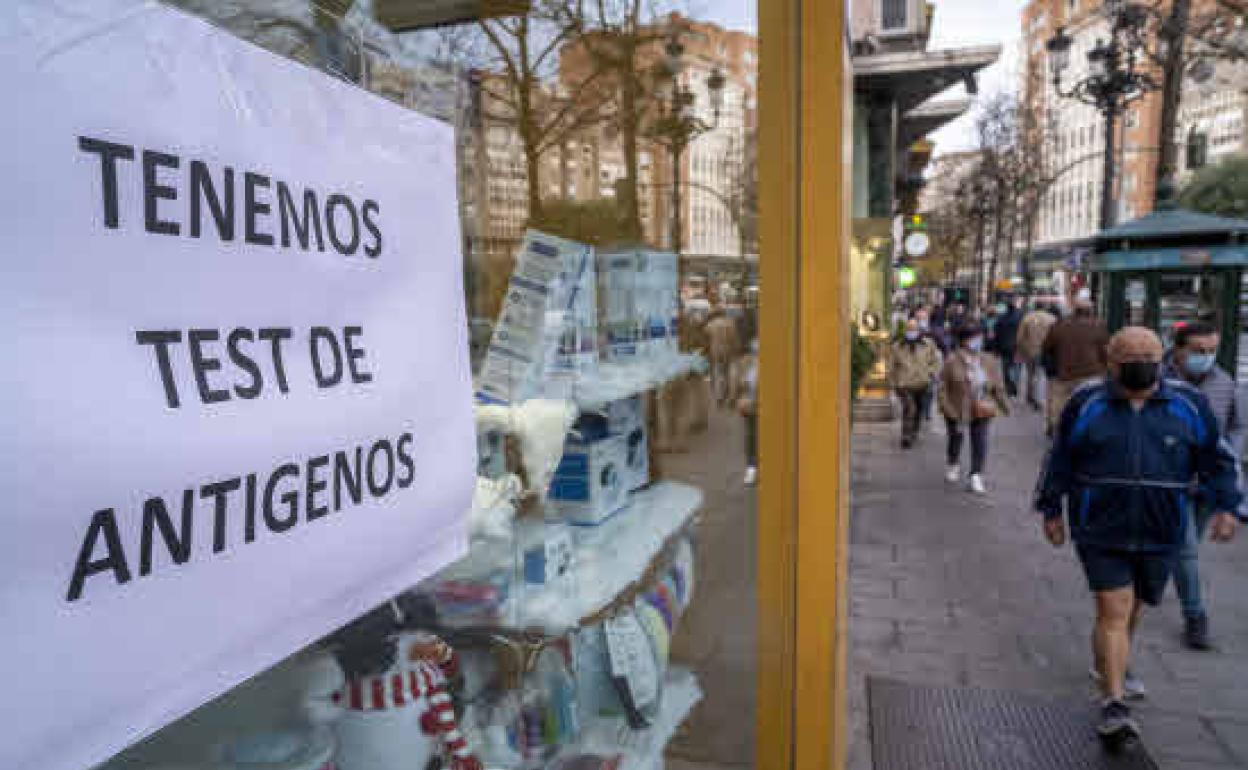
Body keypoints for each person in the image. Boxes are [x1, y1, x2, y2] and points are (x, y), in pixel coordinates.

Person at [1035, 327, 1243, 745]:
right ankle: (1113, 702)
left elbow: (1218, 458)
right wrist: (1050, 508)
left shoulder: (1188, 404)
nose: (1140, 362)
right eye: (1130, 356)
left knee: (1132, 610)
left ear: (1161, 357)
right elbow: (1059, 457)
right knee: (1114, 608)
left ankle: (1110, 664)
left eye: (1148, 354)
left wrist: (1227, 505)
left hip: (1160, 528)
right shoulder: (1087, 403)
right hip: (1100, 525)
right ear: (1111, 362)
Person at [1161, 321, 1247, 650]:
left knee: (1189, 547)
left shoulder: (1225, 383)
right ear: (1178, 349)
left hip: (1208, 482)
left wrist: (1231, 458)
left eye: (1211, 351)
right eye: (1198, 351)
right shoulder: (1157, 379)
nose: (1206, 357)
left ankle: (1175, 578)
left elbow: (1237, 426)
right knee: (1184, 549)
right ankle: (1195, 615)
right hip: (1171, 481)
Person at [938, 325, 1009, 494]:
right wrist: (946, 407)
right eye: (974, 338)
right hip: (957, 408)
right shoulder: (951, 360)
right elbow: (942, 387)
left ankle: (976, 475)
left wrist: (1003, 404)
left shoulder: (989, 360)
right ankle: (953, 462)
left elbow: (998, 385)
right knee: (955, 438)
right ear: (964, 341)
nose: (978, 341)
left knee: (980, 441)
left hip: (981, 406)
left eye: (980, 337)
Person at [1042, 296, 1109, 435]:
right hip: (1092, 373)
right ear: (1090, 311)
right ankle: (1086, 429)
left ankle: (1057, 428)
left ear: (1074, 310)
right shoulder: (1099, 326)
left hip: (1065, 372)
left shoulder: (1059, 325)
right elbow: (1104, 351)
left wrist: (1052, 366)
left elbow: (1047, 347)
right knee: (1089, 402)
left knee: (1060, 402)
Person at [890, 318, 941, 448]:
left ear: (918, 330)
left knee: (918, 410)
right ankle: (906, 436)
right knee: (909, 408)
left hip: (922, 383)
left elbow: (935, 361)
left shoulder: (928, 344)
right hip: (904, 384)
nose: (911, 332)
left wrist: (930, 373)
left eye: (914, 329)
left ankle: (914, 431)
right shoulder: (898, 346)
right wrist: (894, 382)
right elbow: (892, 366)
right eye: (909, 329)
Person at [1016, 302, 1057, 411]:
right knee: (1041, 375)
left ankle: (1029, 396)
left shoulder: (1027, 318)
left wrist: (1022, 350)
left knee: (1030, 374)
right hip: (1046, 351)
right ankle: (1039, 398)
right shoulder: (1052, 319)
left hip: (1030, 351)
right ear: (1044, 307)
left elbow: (1020, 337)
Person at [704, 308, 741, 408]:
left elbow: (706, 338)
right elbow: (735, 337)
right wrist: (737, 348)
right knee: (730, 372)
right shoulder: (730, 323)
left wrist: (707, 351)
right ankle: (731, 397)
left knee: (719, 373)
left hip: (716, 351)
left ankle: (720, 397)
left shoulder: (711, 324)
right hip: (729, 349)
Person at [735, 338, 759, 486]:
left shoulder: (748, 364)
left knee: (752, 438)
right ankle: (752, 469)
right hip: (751, 407)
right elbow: (740, 384)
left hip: (755, 406)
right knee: (751, 438)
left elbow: (740, 383)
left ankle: (753, 469)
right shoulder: (747, 364)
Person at [991, 296, 1023, 398]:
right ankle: (1013, 387)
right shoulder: (1020, 317)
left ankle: (1008, 386)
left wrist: (995, 348)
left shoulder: (1001, 318)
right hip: (1016, 346)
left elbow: (996, 334)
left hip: (1003, 347)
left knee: (1005, 368)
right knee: (1016, 368)